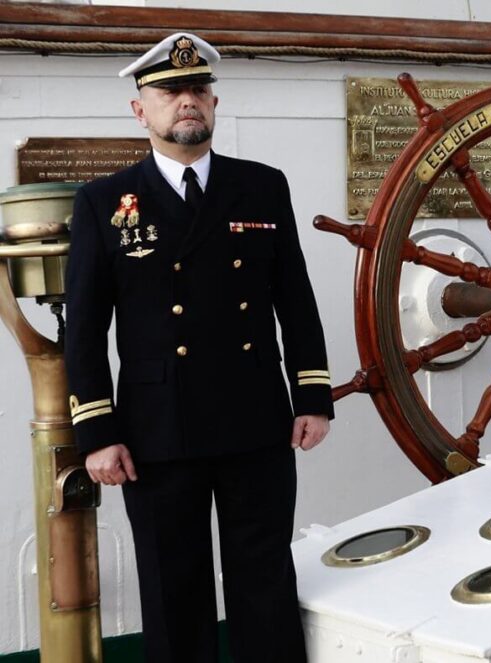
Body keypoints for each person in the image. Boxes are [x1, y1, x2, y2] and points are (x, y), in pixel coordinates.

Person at [64, 32, 333, 662]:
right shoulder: (106, 202)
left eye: (198, 90)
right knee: (172, 591)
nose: (188, 101)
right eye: (170, 91)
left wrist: (313, 394)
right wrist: (96, 432)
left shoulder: (262, 186)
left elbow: (293, 297)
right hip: (157, 432)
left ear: (213, 103)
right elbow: (84, 326)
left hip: (255, 420)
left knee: (264, 582)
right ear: (141, 110)